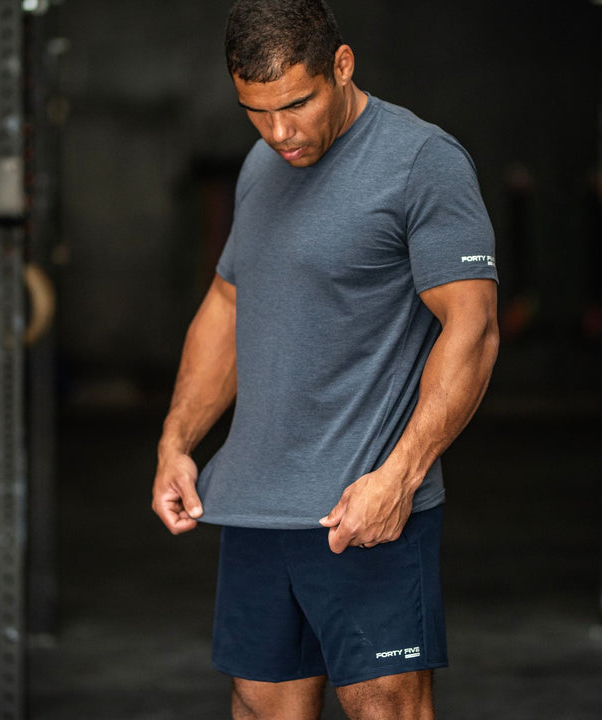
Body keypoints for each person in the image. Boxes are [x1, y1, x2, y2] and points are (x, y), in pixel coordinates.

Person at [151, 1, 499, 717]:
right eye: (257, 110)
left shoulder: (421, 162)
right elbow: (227, 304)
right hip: (255, 509)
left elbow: (474, 329)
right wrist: (176, 441)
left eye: (297, 104)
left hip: (363, 508)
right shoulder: (261, 164)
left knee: (386, 708)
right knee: (259, 706)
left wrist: (400, 477)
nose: (280, 131)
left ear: (341, 67)